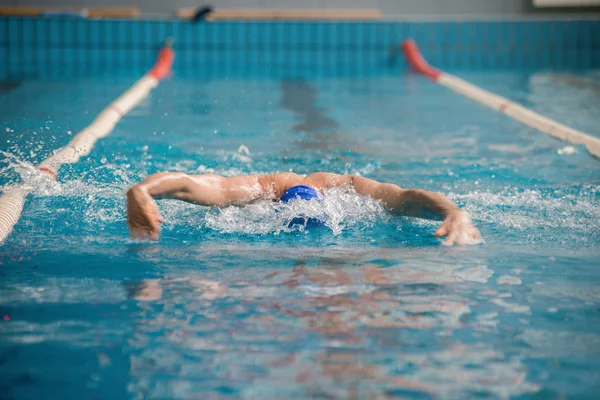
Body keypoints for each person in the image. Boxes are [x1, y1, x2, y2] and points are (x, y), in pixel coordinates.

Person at [126, 172, 482, 245]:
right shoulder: (264, 188)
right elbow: (196, 185)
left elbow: (405, 197)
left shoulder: (353, 188)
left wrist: (452, 211)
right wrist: (142, 190)